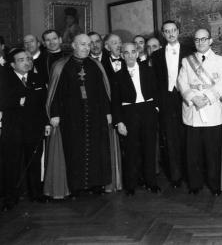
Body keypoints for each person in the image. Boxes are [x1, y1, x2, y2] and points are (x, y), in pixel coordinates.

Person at [47, 34, 112, 197]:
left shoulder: (96, 65)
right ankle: (76, 187)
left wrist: (108, 112)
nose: (87, 47)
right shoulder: (61, 65)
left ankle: (96, 184)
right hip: (71, 116)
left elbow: (103, 92)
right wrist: (54, 114)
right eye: (82, 44)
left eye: (89, 44)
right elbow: (55, 93)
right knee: (74, 150)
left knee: (97, 150)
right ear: (73, 46)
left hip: (95, 115)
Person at [177, 28, 222, 196]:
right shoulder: (186, 61)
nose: (200, 42)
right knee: (193, 153)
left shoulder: (221, 61)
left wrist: (206, 97)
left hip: (211, 110)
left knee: (212, 151)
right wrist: (193, 98)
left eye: (204, 39)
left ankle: (214, 185)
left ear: (210, 41)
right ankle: (195, 184)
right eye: (197, 40)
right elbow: (182, 83)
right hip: (192, 111)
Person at [0, 49, 50, 211]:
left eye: (29, 58)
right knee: (12, 164)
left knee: (34, 162)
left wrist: (46, 123)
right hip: (13, 129)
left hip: (34, 128)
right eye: (21, 60)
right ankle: (10, 197)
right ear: (13, 64)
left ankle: (35, 193)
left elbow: (43, 104)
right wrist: (22, 99)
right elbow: (5, 101)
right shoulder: (4, 79)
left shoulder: (37, 78)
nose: (27, 62)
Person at [111, 43, 160, 196]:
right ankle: (131, 185)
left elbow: (157, 90)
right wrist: (119, 122)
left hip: (147, 111)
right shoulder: (117, 76)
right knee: (131, 150)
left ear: (137, 54)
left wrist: (155, 108)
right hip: (129, 113)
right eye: (126, 53)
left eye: (133, 52)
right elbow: (115, 101)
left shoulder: (149, 70)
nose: (130, 55)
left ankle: (151, 182)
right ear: (122, 55)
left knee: (149, 149)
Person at [151, 21, 190, 188]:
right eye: (167, 31)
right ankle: (176, 176)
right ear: (163, 34)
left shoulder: (190, 52)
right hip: (166, 100)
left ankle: (190, 175)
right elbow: (154, 82)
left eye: (173, 30)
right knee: (171, 139)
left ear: (178, 32)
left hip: (186, 98)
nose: (171, 34)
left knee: (188, 137)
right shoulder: (157, 55)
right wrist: (158, 103)